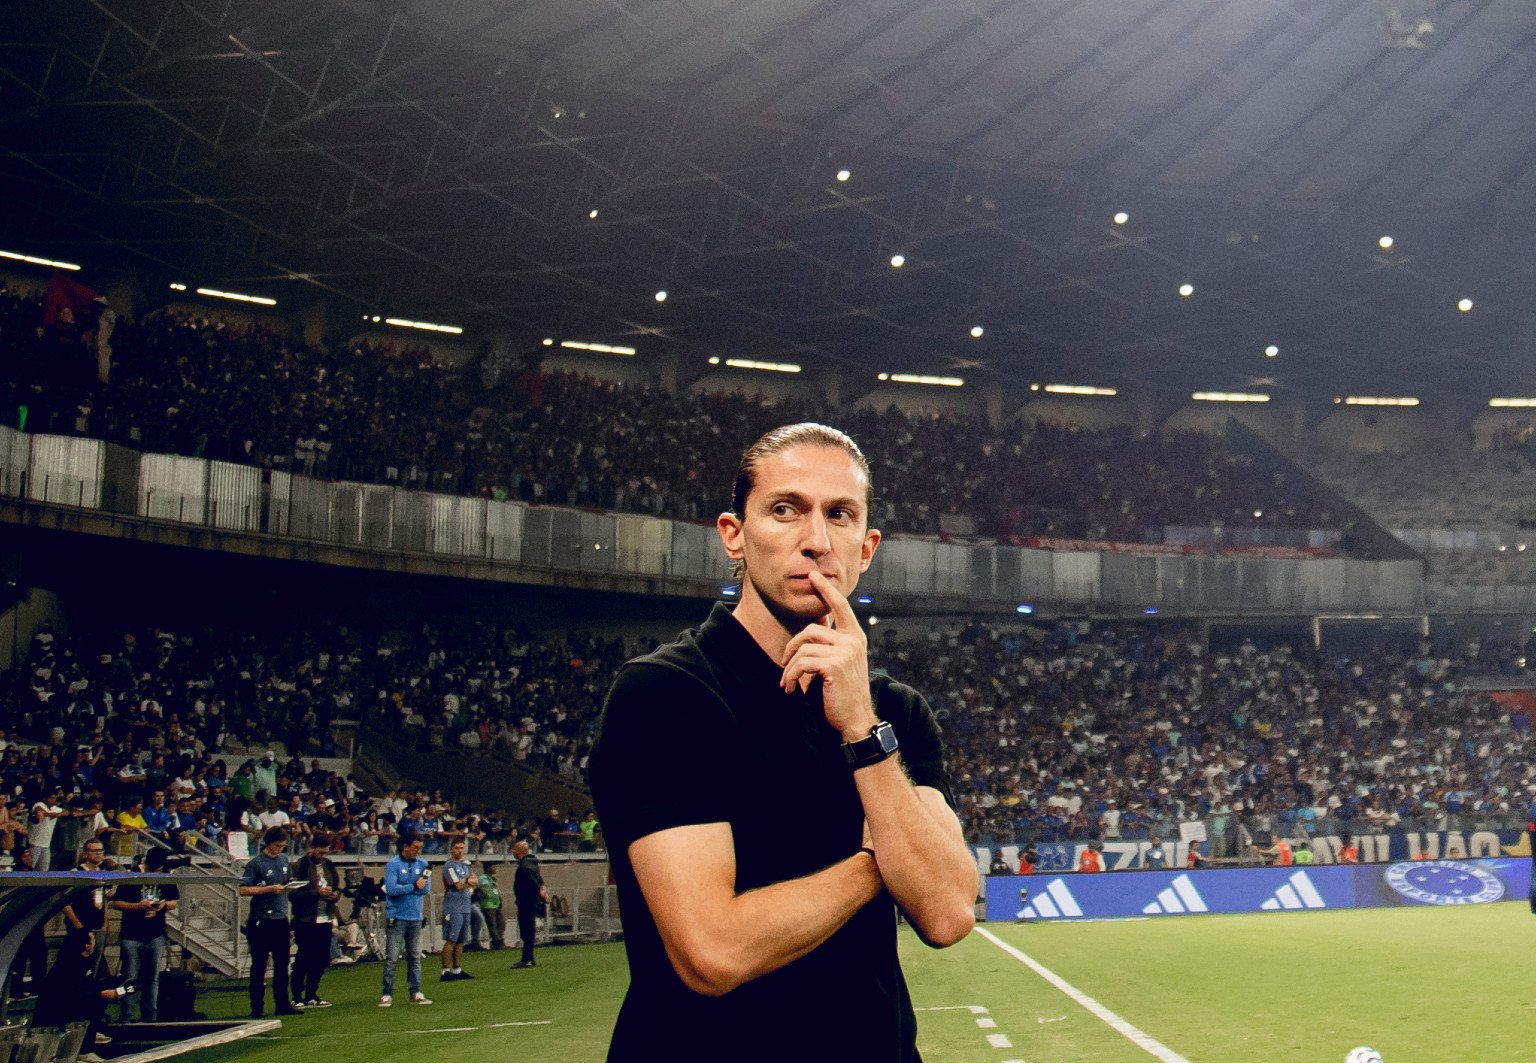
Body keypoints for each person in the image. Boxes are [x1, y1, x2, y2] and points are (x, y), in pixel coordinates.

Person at [588, 422, 977, 1061]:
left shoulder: (896, 712)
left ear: (867, 547)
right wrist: (876, 865)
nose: (816, 541)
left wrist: (860, 728)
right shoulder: (664, 696)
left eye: (840, 515)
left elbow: (947, 912)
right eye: (785, 510)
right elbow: (712, 951)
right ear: (733, 535)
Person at [109, 848, 179, 1021]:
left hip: (155, 933)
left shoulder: (165, 876)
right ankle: (126, 1016)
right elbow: (115, 902)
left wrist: (163, 905)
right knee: (130, 978)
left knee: (152, 978)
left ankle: (150, 1016)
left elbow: (173, 902)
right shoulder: (132, 877)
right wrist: (137, 907)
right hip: (132, 934)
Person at [239, 826, 301, 1017]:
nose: (280, 849)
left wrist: (291, 886)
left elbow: (286, 881)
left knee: (282, 964)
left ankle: (282, 1003)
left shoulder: (283, 860)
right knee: (259, 965)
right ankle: (256, 1007)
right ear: (269, 843)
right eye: (277, 846)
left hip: (280, 918)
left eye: (283, 846)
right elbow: (243, 889)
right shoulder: (256, 863)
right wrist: (268, 889)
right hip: (261, 920)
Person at [379, 833, 432, 1007]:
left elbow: (425, 890)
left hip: (415, 916)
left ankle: (415, 991)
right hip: (396, 916)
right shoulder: (393, 864)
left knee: (415, 956)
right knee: (392, 957)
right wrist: (413, 886)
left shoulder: (424, 864)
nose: (418, 851)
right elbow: (392, 889)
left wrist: (410, 888)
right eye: (415, 847)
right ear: (406, 846)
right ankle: (387, 993)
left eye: (420, 847)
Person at [289, 833, 341, 1009]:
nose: (323, 857)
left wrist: (334, 895)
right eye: (320, 853)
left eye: (326, 853)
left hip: (325, 918)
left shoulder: (329, 866)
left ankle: (312, 993)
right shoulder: (300, 866)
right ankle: (297, 995)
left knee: (321, 958)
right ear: (312, 849)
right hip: (305, 919)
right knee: (304, 957)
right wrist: (316, 893)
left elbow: (337, 886)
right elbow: (293, 894)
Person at [439, 838, 475, 980]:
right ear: (451, 849)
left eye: (461, 848)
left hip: (465, 904)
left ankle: (457, 969)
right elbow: (457, 885)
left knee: (461, 940)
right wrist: (467, 881)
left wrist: (465, 881)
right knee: (451, 939)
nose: (460, 851)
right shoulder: (449, 866)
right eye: (457, 848)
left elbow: (475, 881)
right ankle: (445, 970)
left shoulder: (465, 865)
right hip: (453, 906)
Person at [510, 839, 548, 969]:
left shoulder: (524, 867)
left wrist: (540, 892)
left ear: (520, 851)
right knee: (529, 930)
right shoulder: (533, 864)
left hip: (526, 902)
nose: (513, 852)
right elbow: (539, 880)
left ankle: (527, 958)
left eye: (515, 850)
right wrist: (542, 891)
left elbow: (532, 883)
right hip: (532, 901)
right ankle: (529, 958)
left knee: (526, 930)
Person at [473, 860, 505, 950]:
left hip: (496, 904)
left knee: (501, 923)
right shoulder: (482, 878)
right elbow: (478, 885)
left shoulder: (492, 879)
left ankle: (500, 940)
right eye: (493, 866)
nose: (495, 868)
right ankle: (496, 943)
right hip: (488, 904)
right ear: (489, 868)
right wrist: (482, 893)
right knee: (492, 925)